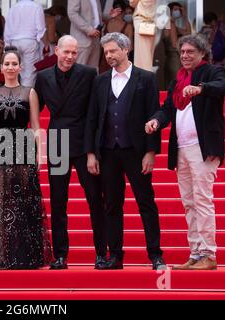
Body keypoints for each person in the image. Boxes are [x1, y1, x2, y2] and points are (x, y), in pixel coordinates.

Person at [145, 34, 225, 270]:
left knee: (202, 200)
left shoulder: (211, 72)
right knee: (189, 203)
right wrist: (155, 121)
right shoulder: (177, 80)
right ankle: (195, 252)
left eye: (190, 51)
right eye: (182, 52)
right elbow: (167, 109)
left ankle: (208, 253)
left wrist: (201, 88)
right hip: (181, 149)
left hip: (203, 148)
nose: (184, 56)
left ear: (202, 53)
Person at [85, 32, 166, 270]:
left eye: (113, 51)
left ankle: (155, 254)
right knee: (111, 205)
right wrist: (91, 153)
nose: (109, 55)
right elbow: (92, 118)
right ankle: (115, 256)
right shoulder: (100, 81)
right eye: (106, 52)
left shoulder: (146, 79)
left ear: (126, 49)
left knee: (146, 202)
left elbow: (154, 113)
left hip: (136, 151)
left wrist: (151, 152)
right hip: (108, 151)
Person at [0, 46, 52, 270]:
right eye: (7, 64)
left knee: (23, 200)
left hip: (24, 146)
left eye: (14, 63)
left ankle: (24, 254)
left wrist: (40, 154)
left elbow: (35, 126)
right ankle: (2, 254)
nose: (10, 67)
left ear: (20, 67)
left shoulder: (30, 93)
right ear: (1, 67)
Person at [35, 35, 107, 270]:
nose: (69, 57)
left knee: (95, 200)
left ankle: (101, 253)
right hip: (57, 142)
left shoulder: (88, 74)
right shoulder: (43, 77)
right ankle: (60, 256)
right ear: (57, 51)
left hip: (83, 142)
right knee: (58, 203)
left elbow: (94, 114)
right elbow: (33, 109)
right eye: (66, 52)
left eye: (74, 53)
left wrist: (92, 152)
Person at [4, 0, 48, 87]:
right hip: (30, 42)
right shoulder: (37, 7)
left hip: (14, 42)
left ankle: (14, 98)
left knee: (13, 72)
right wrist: (46, 46)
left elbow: (7, 30)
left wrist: (6, 46)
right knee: (29, 75)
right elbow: (41, 30)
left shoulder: (13, 8)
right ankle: (26, 98)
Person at [99, 0, 134, 74]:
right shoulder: (128, 26)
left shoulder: (107, 23)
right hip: (120, 61)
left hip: (105, 60)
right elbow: (130, 47)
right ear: (124, 11)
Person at [68, 0, 103, 69]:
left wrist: (109, 16)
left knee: (93, 70)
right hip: (82, 39)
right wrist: (88, 29)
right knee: (79, 70)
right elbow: (72, 13)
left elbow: (95, 15)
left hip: (96, 38)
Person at [129, 0, 156, 71]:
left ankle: (144, 79)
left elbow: (132, 3)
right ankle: (146, 77)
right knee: (148, 53)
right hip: (152, 21)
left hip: (142, 20)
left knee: (142, 54)